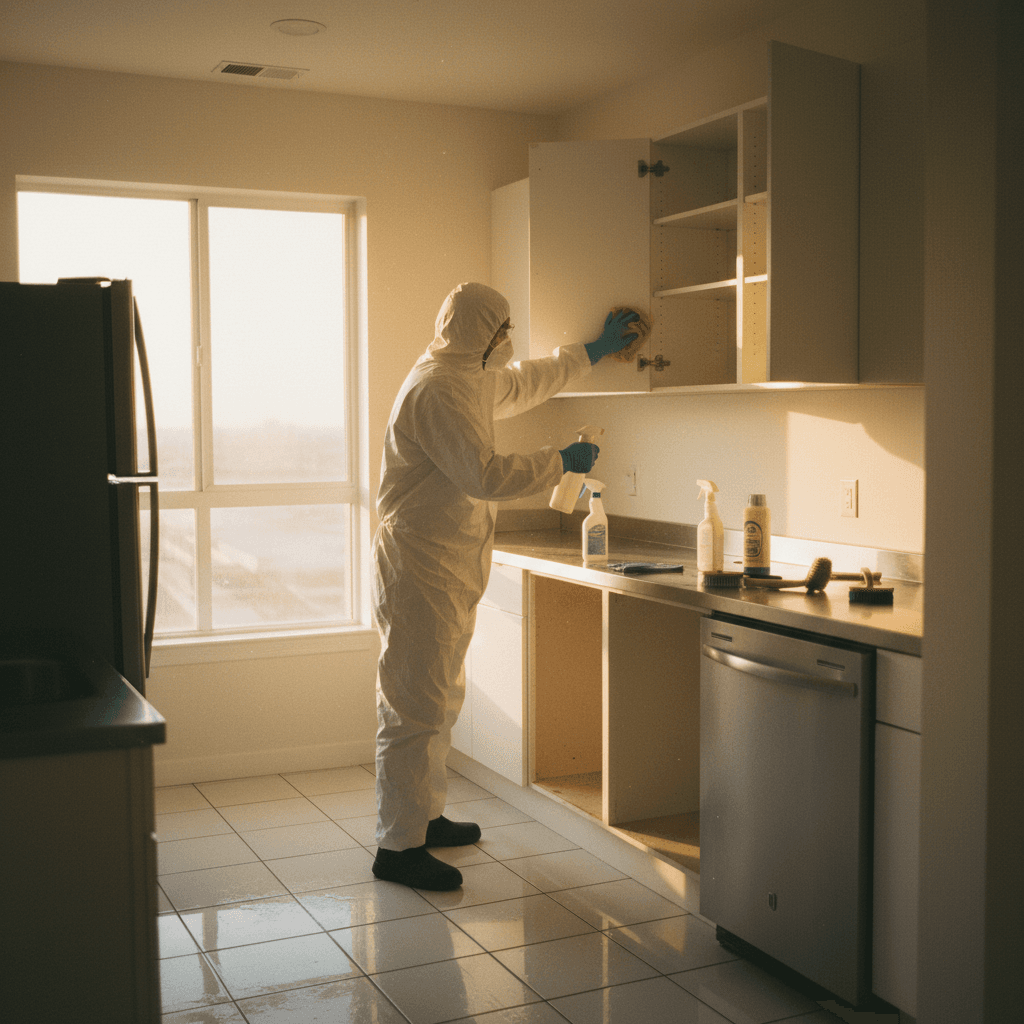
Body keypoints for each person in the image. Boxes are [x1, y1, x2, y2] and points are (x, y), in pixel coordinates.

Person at [371, 282, 638, 890]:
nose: (508, 339)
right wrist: (559, 460)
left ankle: (424, 817)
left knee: (439, 695)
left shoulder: (469, 372)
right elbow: (483, 474)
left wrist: (592, 351)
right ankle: (397, 847)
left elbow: (525, 380)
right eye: (501, 329)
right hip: (419, 563)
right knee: (414, 702)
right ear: (477, 333)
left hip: (445, 559)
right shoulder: (436, 387)